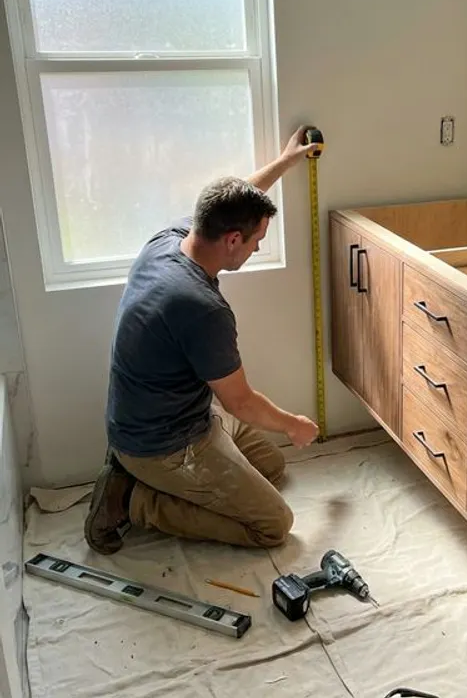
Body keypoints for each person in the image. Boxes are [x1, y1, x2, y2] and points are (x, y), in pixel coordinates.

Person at [84, 126, 322, 555]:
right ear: (233, 239)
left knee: (270, 465)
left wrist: (287, 162)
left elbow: (236, 197)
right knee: (273, 525)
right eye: (256, 242)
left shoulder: (172, 240)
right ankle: (135, 501)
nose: (255, 250)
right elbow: (241, 403)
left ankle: (138, 478)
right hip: (166, 444)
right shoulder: (200, 307)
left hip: (180, 414)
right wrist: (295, 424)